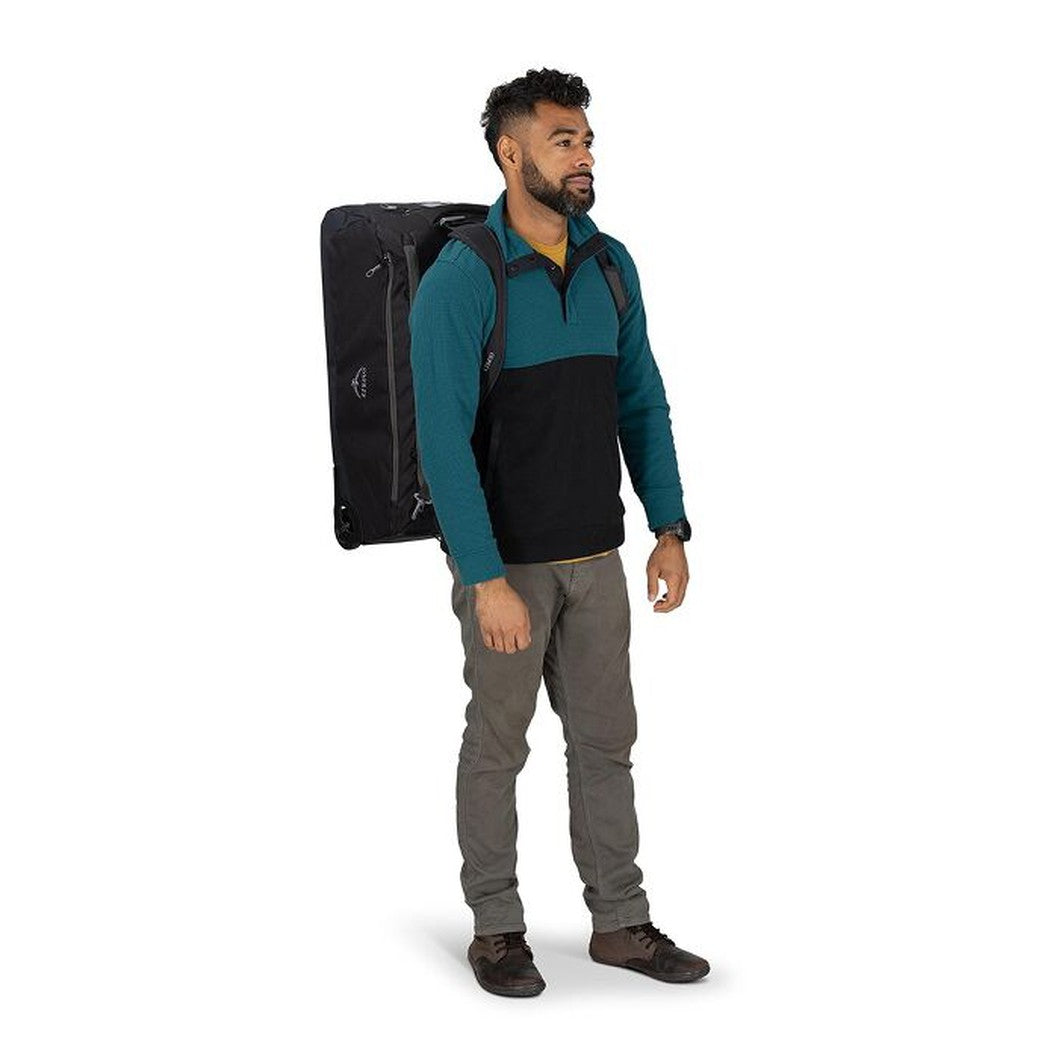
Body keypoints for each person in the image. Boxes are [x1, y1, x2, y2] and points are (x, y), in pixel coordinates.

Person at [408, 68, 709, 997]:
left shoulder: (611, 264)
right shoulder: (465, 278)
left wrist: (668, 525)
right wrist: (484, 576)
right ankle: (497, 929)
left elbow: (641, 400)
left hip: (597, 557)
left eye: (586, 141)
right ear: (511, 153)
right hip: (508, 567)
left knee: (606, 744)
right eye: (562, 141)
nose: (583, 158)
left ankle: (620, 922)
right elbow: (441, 443)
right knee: (498, 746)